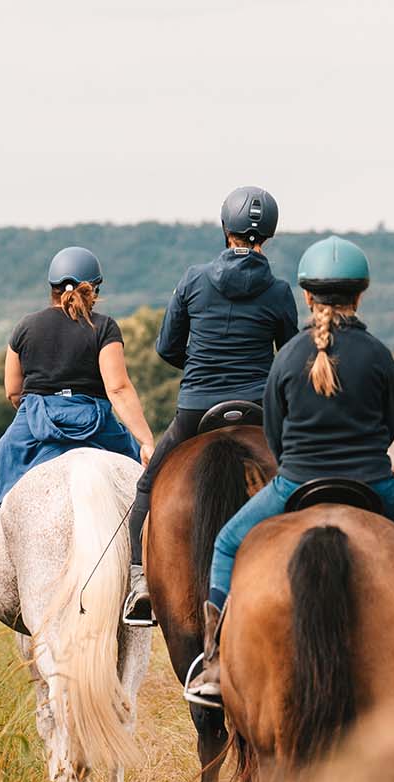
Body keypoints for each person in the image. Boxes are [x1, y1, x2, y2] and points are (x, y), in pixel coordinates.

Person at [181, 235, 394, 705]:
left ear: (307, 295)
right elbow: (389, 424)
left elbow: (275, 433)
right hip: (373, 484)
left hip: (294, 484)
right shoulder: (378, 355)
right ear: (360, 294)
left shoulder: (286, 357)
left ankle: (215, 663)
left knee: (225, 544)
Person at [118, 186, 298, 627]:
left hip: (196, 410)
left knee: (148, 486)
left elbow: (166, 347)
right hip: (258, 409)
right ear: (268, 236)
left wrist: (198, 366)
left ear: (225, 228)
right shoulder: (277, 290)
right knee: (300, 481)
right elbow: (290, 356)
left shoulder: (193, 279)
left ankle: (140, 582)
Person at [0, 246, 156, 615]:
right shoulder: (104, 327)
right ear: (95, 289)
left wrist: (38, 409)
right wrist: (145, 440)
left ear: (51, 287)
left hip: (35, 423)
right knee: (150, 489)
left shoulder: (25, 328)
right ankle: (148, 575)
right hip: (97, 425)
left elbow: (13, 390)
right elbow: (119, 389)